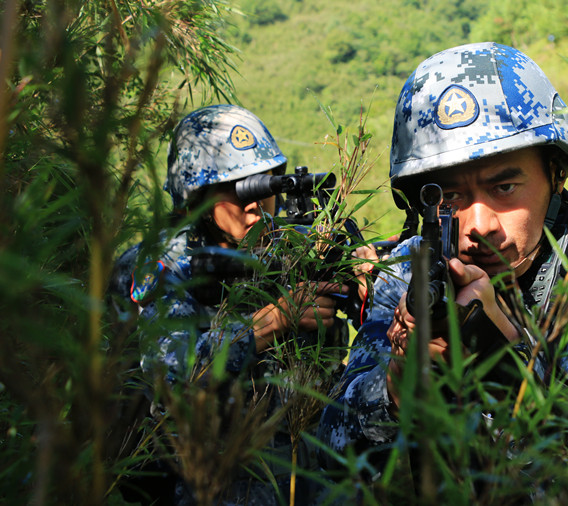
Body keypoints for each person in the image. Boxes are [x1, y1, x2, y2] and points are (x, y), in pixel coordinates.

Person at [318, 43, 568, 464]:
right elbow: (328, 452)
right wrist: (395, 389)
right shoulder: (409, 274)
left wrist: (506, 353)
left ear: (555, 175)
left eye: (504, 188)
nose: (479, 224)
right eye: (451, 196)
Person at [110, 104, 374, 504]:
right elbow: (176, 381)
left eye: (264, 185)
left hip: (309, 469)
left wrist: (366, 282)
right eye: (236, 188)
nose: (256, 202)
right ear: (195, 197)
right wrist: (269, 324)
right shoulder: (162, 265)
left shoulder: (297, 244)